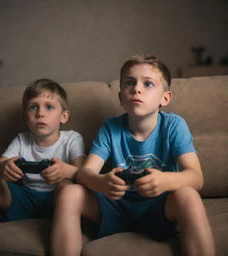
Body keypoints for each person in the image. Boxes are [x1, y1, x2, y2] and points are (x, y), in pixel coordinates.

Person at [53, 54, 215, 256]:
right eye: (130, 83)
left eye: (148, 84)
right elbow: (85, 173)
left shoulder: (174, 125)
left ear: (165, 98)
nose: (137, 89)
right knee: (70, 193)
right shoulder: (110, 128)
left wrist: (165, 180)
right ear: (121, 97)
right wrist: (101, 182)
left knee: (188, 195)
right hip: (116, 205)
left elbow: (196, 178)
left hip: (159, 206)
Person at [0, 79, 85, 254]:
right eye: (33, 107)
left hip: (58, 201)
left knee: (66, 186)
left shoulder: (72, 139)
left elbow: (86, 174)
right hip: (25, 199)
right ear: (26, 117)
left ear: (64, 116)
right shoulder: (21, 140)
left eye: (49, 107)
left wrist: (66, 171)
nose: (40, 113)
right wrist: (3, 168)